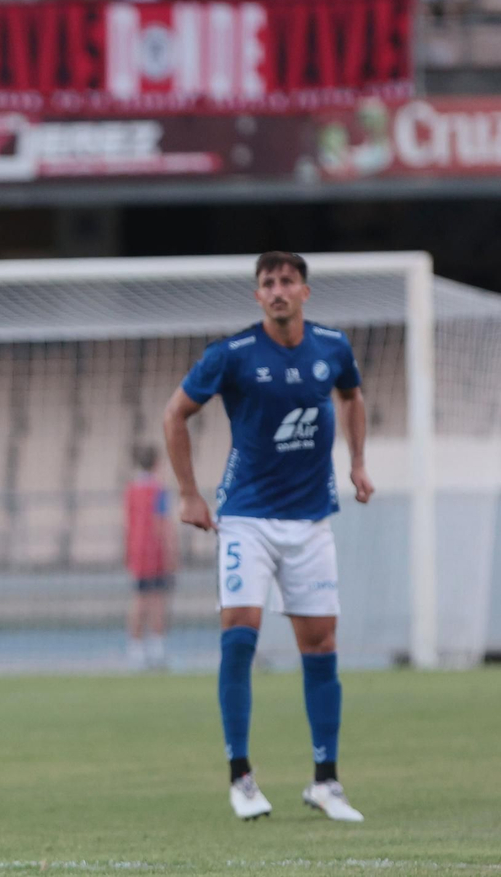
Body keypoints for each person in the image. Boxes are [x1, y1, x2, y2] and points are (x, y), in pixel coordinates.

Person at [162, 251, 373, 823]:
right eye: (267, 283)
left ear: (305, 291)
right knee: (240, 634)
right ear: (257, 297)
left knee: (321, 646)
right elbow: (175, 414)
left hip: (310, 520)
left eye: (287, 281)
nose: (277, 290)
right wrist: (188, 493)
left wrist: (357, 462)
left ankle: (325, 782)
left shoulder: (332, 347)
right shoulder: (231, 355)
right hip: (246, 517)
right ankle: (242, 778)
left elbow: (352, 396)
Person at [124, 446, 175, 670]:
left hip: (137, 549)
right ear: (156, 463)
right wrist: (172, 553)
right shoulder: (158, 490)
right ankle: (158, 650)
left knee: (139, 599)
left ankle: (135, 651)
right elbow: (161, 523)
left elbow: (126, 522)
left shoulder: (131, 490)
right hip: (154, 551)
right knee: (157, 601)